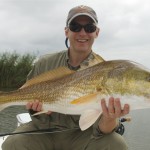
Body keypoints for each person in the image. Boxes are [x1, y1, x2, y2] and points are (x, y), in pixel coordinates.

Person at [2, 5, 130, 150]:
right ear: (66, 31)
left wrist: (110, 117)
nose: (83, 33)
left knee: (117, 144)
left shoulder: (106, 72)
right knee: (13, 144)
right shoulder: (45, 63)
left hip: (82, 136)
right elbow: (31, 103)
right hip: (44, 132)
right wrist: (35, 109)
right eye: (75, 26)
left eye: (89, 27)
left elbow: (103, 130)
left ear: (97, 32)